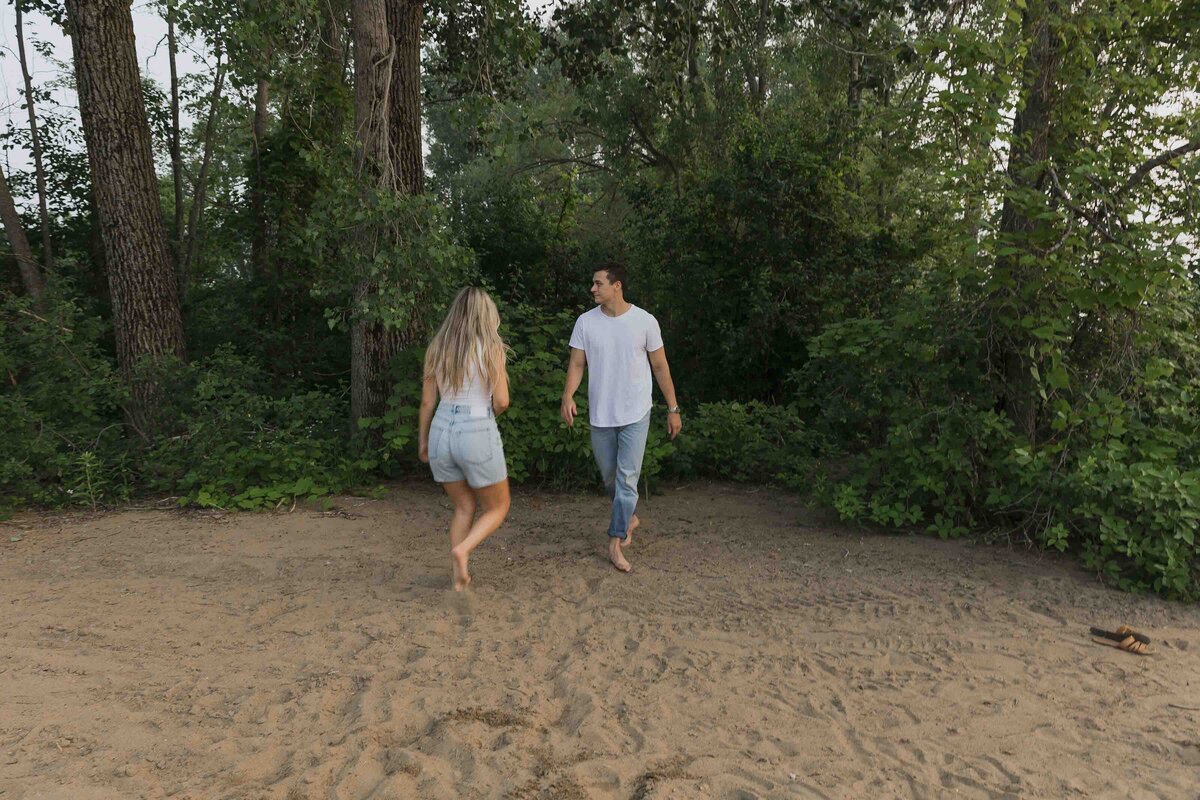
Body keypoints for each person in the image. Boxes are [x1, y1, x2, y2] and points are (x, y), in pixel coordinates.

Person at [560, 263, 681, 572]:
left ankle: (615, 542)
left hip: (635, 413)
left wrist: (672, 408)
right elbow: (576, 364)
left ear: (617, 286)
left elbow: (660, 367)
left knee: (627, 480)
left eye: (598, 283)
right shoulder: (586, 323)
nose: (592, 288)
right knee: (611, 479)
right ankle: (629, 516)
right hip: (601, 415)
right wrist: (568, 395)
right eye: (593, 283)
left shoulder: (645, 321)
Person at [418, 287, 512, 591]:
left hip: (441, 429)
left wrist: (422, 442)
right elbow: (502, 401)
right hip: (475, 425)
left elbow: (427, 403)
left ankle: (458, 580)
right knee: (498, 507)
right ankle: (463, 550)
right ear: (487, 315)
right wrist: (484, 424)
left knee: (463, 506)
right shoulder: (491, 348)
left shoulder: (437, 348)